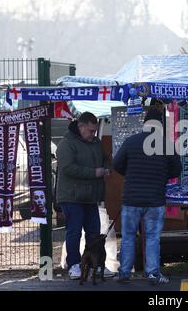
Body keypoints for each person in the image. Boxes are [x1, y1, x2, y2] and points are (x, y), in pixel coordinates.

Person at [113, 106, 181, 284]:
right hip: (155, 199)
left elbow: (117, 164)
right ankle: (152, 273)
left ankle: (125, 272)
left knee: (128, 236)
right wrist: (162, 174)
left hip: (131, 199)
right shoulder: (165, 144)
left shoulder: (131, 141)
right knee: (152, 237)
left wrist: (131, 172)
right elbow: (177, 169)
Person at [56, 111, 113, 280]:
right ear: (80, 127)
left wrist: (106, 168)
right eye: (90, 131)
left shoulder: (95, 142)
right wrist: (95, 172)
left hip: (90, 196)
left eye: (95, 131)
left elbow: (105, 159)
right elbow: (67, 168)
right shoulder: (66, 144)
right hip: (71, 196)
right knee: (74, 232)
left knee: (94, 233)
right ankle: (74, 264)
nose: (93, 134)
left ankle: (95, 265)